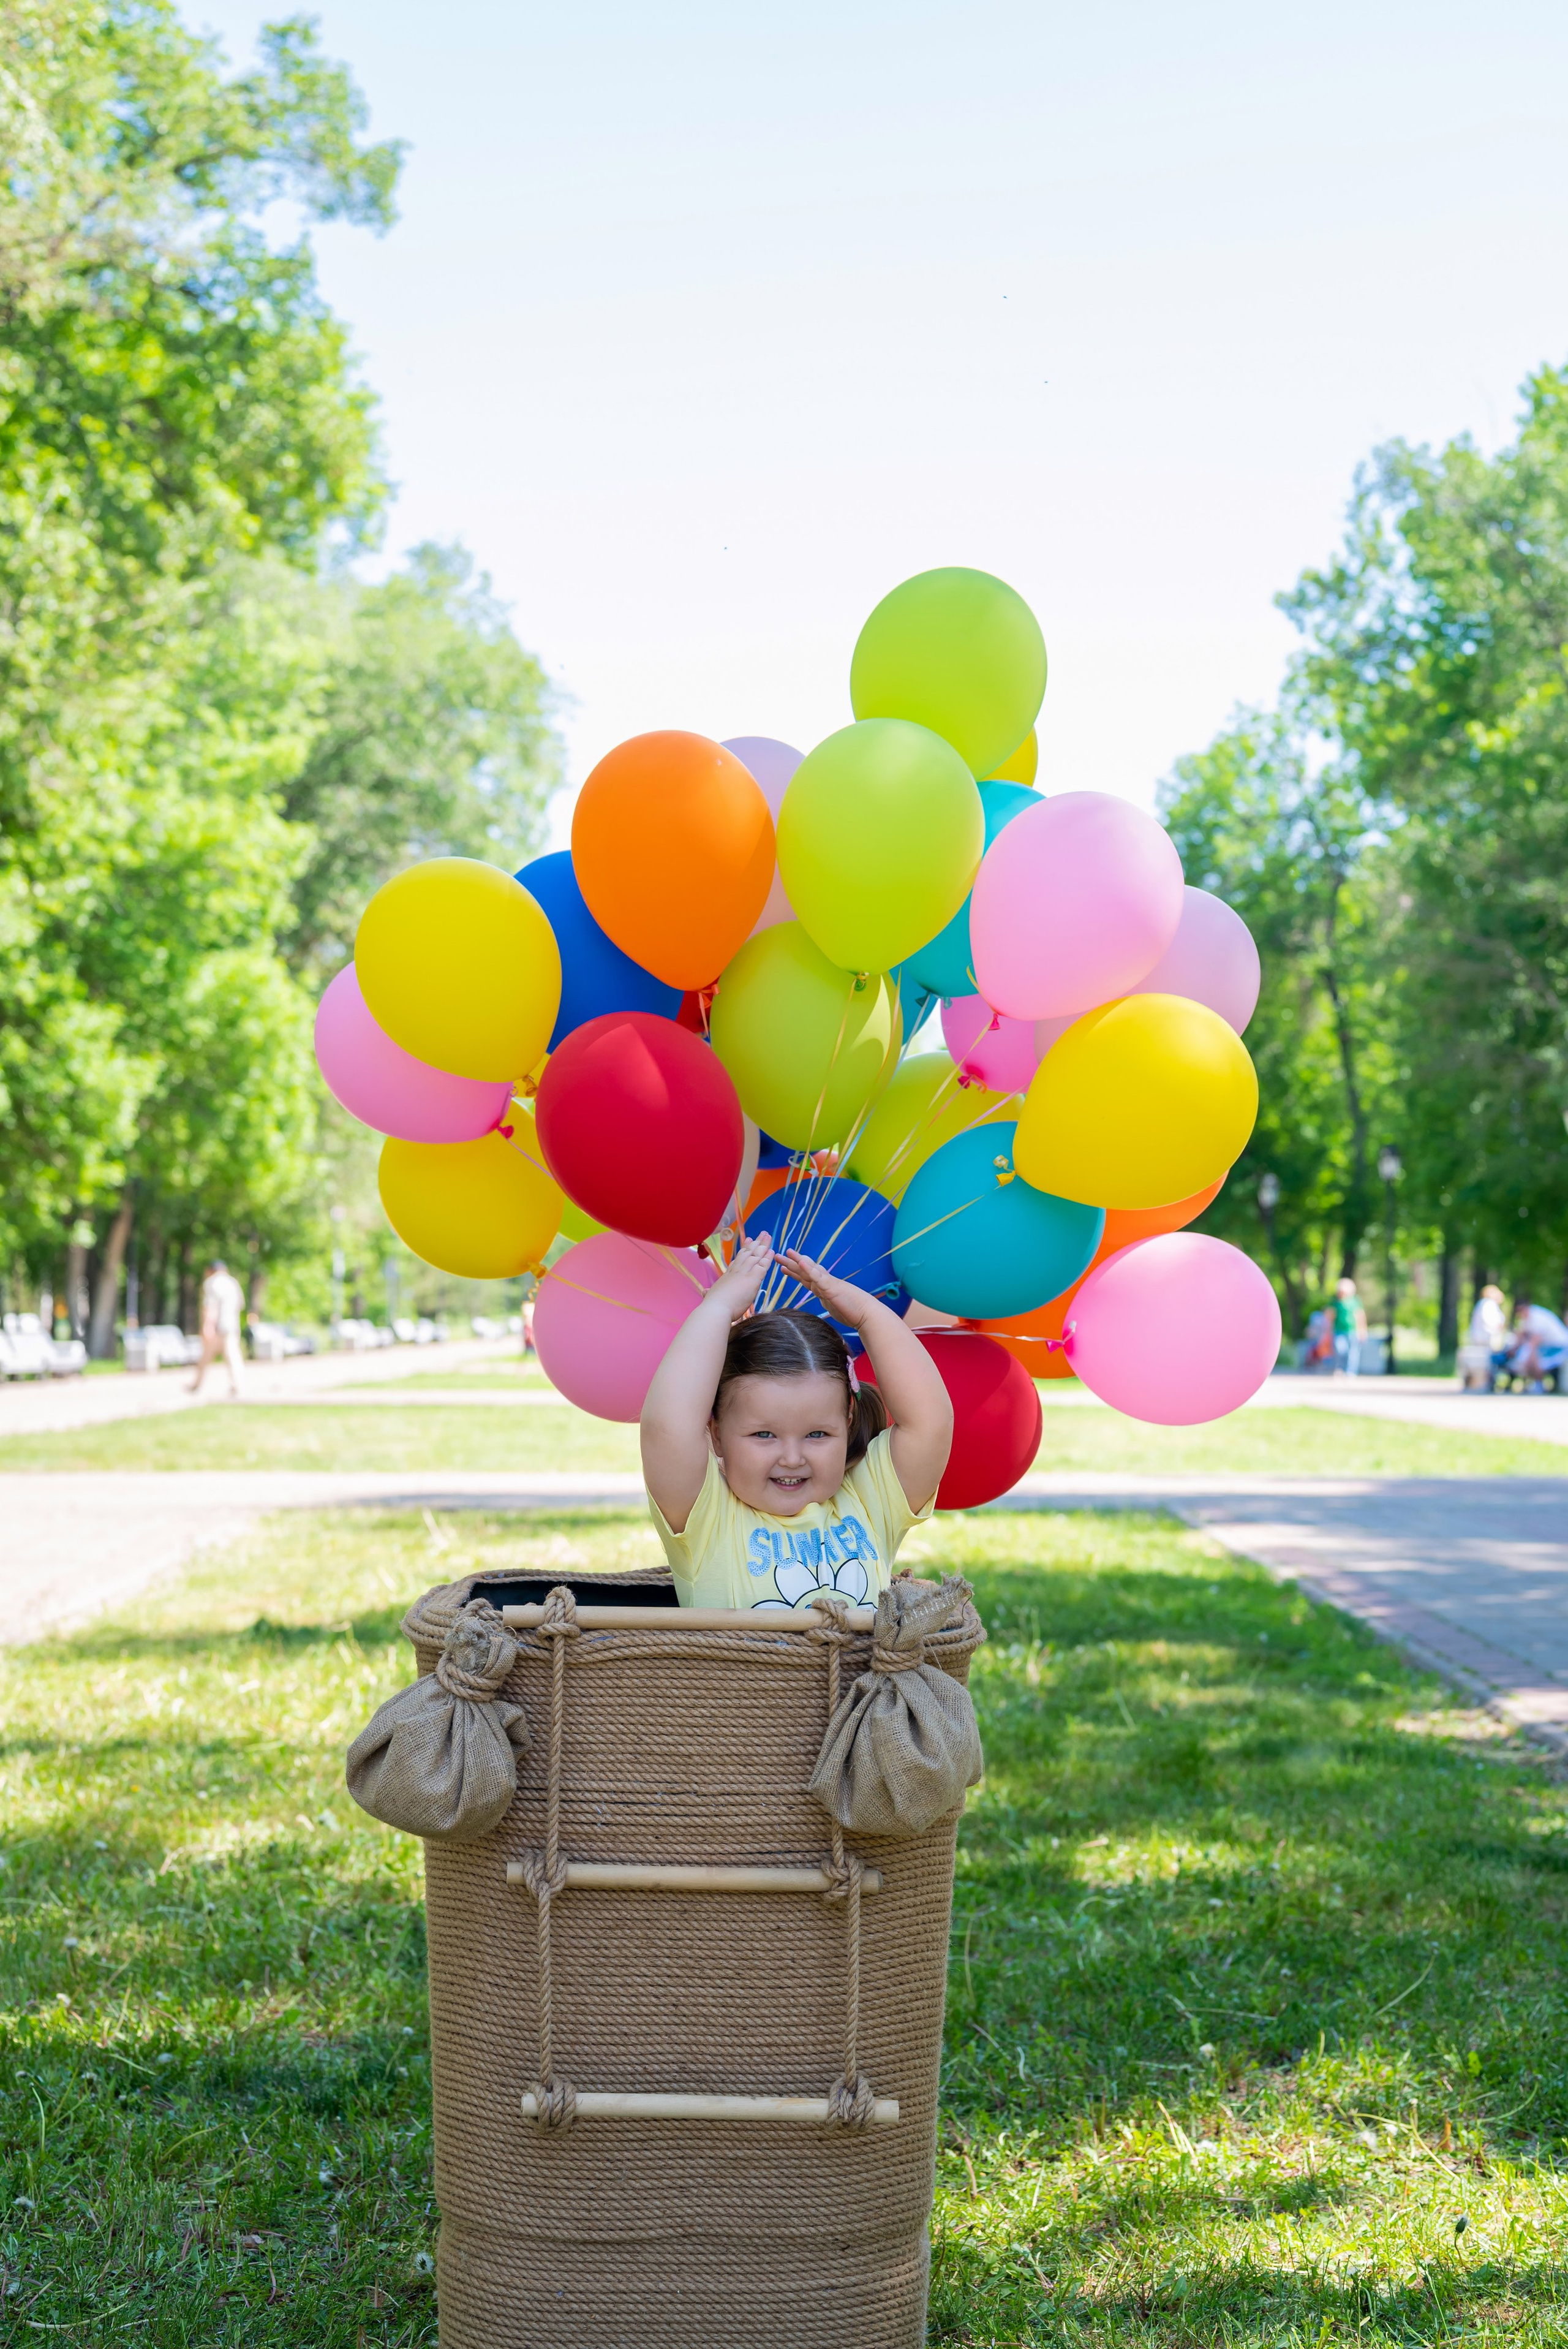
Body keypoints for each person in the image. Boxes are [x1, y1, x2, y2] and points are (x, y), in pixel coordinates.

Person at [641, 1230, 954, 1611]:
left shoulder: (871, 1502)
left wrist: (867, 1315)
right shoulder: (706, 1520)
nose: (792, 1458)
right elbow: (667, 1428)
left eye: (817, 1434)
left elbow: (930, 1422)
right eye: (764, 1435)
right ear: (717, 1434)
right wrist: (718, 1308)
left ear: (848, 1422)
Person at [189, 1258, 246, 1397]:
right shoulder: (233, 1283)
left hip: (217, 1326)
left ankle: (198, 1384)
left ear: (210, 1270)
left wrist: (208, 1326)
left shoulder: (212, 1283)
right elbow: (241, 1305)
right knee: (232, 1356)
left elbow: (211, 1306)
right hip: (232, 1325)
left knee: (207, 1356)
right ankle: (237, 1385)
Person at [1506, 1293, 1568, 1393]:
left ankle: (1539, 1384)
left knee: (1534, 1358)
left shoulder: (1537, 1317)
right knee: (1529, 1356)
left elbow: (1534, 1342)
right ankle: (1535, 1383)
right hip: (1548, 1347)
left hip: (1559, 1346)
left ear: (1525, 1308)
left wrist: (1526, 1356)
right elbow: (1521, 1336)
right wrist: (1513, 1350)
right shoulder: (1526, 1319)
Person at [1332, 1276, 1366, 1376]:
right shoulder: (1336, 1302)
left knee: (1353, 1353)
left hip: (1353, 1331)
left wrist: (1362, 1330)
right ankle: (1340, 1368)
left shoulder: (1355, 1301)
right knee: (1340, 1349)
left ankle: (1351, 1372)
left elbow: (1360, 1316)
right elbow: (1331, 1315)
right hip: (1339, 1330)